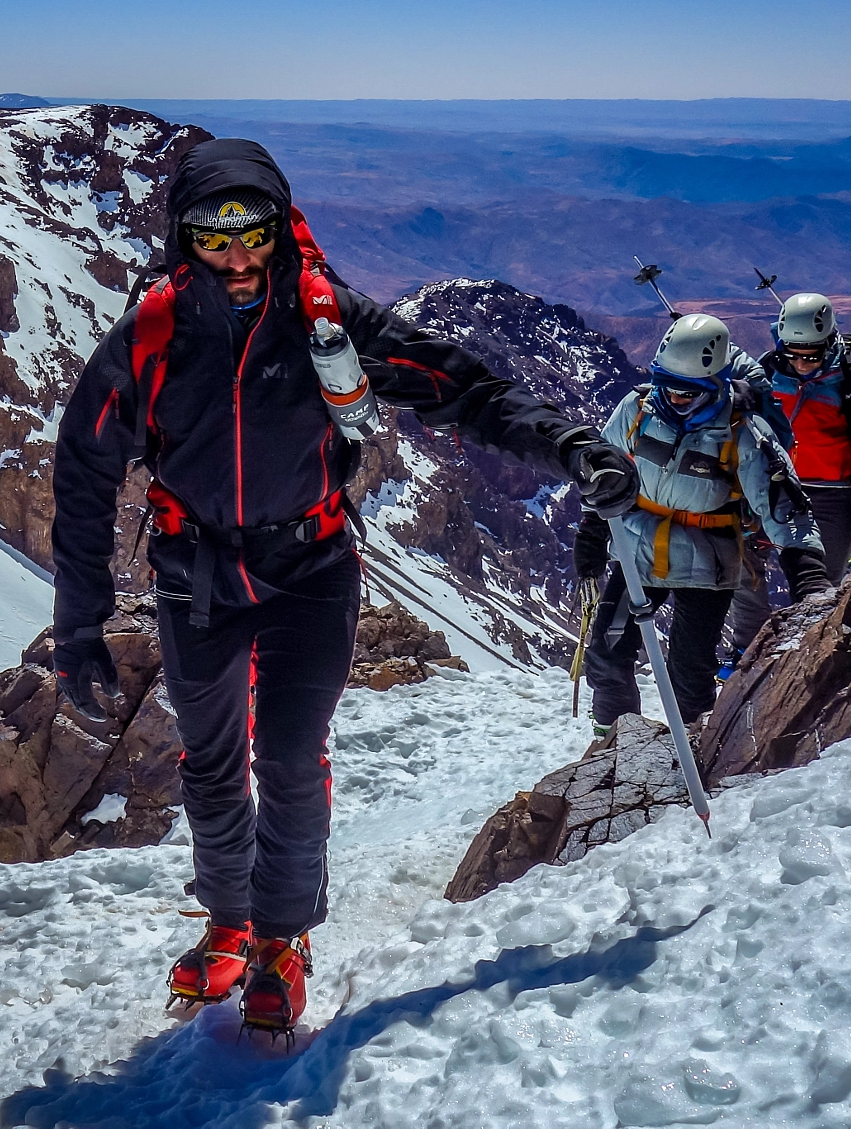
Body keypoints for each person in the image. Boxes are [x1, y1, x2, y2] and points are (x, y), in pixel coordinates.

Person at [47, 138, 634, 1038]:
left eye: (255, 234)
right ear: (184, 236)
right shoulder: (153, 335)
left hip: (310, 572)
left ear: (282, 228)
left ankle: (281, 939)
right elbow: (84, 472)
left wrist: (569, 444)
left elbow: (459, 387)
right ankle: (228, 921)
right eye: (215, 236)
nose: (238, 257)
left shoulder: (327, 320)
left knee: (286, 758)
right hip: (195, 576)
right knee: (208, 762)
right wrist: (78, 621)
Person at [574, 315, 830, 738]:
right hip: (638, 546)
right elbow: (603, 470)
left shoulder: (743, 432)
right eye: (667, 384)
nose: (675, 397)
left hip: (706, 562)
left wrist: (808, 570)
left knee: (689, 669)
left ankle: (694, 744)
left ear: (715, 382)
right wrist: (592, 529)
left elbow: (785, 507)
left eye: (688, 390)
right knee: (607, 651)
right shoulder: (637, 409)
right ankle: (614, 744)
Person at [725, 293, 851, 660]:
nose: (801, 364)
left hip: (832, 495)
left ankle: (811, 655)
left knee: (820, 582)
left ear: (830, 341)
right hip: (770, 486)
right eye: (793, 354)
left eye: (811, 355)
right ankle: (748, 651)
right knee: (744, 565)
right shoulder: (767, 371)